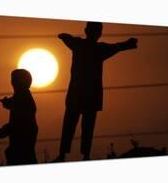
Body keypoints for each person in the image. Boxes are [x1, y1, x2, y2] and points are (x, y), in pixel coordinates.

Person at [54, 22, 138, 162]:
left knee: (74, 125)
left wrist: (127, 44)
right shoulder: (95, 48)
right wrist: (128, 44)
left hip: (81, 94)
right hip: (87, 95)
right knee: (81, 126)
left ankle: (69, 155)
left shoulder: (83, 45)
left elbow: (65, 37)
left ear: (87, 30)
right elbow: (117, 46)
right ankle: (79, 155)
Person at [0, 69, 38, 165]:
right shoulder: (22, 96)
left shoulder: (22, 98)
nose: (12, 82)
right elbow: (13, 104)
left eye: (14, 80)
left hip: (21, 148)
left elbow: (15, 126)